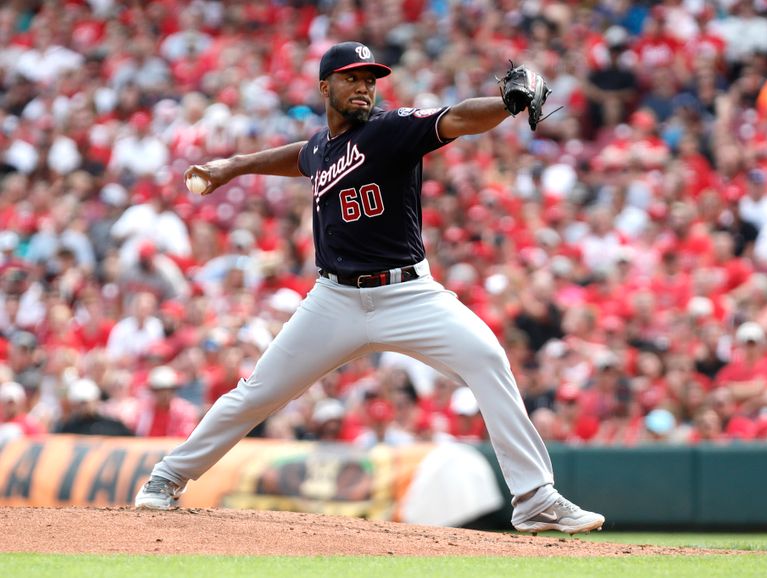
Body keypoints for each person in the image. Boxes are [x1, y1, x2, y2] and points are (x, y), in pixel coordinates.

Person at [135, 41, 604, 535]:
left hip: (409, 295)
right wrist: (235, 164)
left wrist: (507, 106)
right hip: (333, 301)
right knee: (255, 394)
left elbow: (457, 119)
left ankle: (534, 498)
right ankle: (167, 477)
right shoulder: (321, 147)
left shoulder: (391, 129)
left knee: (487, 359)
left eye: (369, 79)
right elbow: (302, 157)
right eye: (351, 78)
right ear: (325, 86)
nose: (363, 87)